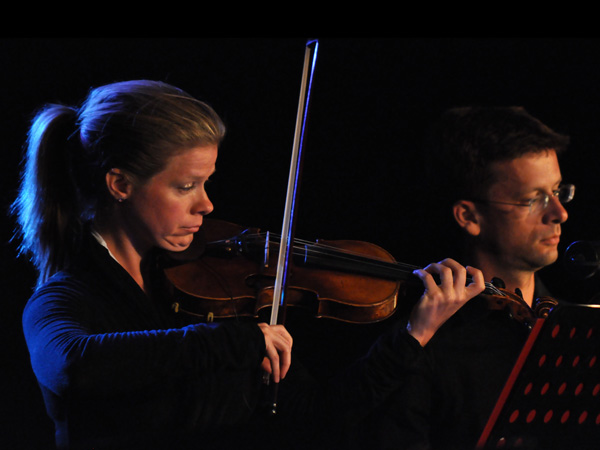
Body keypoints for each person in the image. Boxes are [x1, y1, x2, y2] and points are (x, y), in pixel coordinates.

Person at [11, 80, 484, 450]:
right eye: (185, 186)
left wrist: (414, 334)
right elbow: (72, 366)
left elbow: (321, 413)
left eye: (207, 183)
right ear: (120, 184)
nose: (207, 205)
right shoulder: (65, 297)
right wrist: (235, 341)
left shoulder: (210, 284)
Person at [362, 106, 575, 450]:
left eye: (558, 191)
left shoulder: (572, 331)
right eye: (533, 199)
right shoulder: (419, 349)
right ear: (469, 216)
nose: (559, 213)